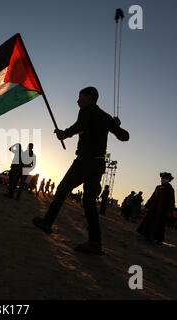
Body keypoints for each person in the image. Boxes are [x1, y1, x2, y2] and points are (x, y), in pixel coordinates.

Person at [32, 87, 129, 255]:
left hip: (85, 161)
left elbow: (80, 126)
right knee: (89, 202)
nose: (78, 101)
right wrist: (116, 126)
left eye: (80, 97)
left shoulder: (86, 110)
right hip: (99, 164)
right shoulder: (106, 117)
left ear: (89, 98)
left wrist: (64, 134)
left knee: (62, 190)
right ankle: (95, 242)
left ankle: (47, 222)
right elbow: (124, 136)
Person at [137, 172, 175, 244]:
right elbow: (152, 197)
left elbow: (171, 201)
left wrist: (169, 211)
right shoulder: (158, 187)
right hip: (153, 208)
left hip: (162, 210)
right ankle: (147, 235)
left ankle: (158, 239)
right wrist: (147, 205)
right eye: (162, 178)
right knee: (149, 220)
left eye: (164, 179)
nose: (162, 180)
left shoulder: (170, 189)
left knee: (159, 224)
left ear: (168, 180)